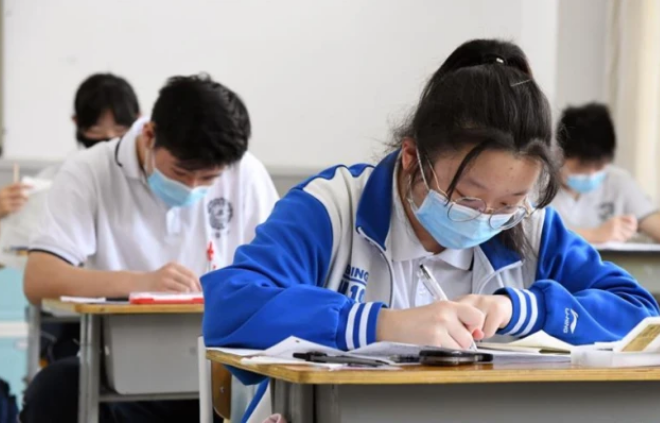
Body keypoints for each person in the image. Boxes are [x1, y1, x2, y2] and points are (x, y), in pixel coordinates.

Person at [201, 40, 659, 421]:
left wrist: (524, 309)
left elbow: (640, 317)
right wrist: (380, 325)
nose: (486, 217)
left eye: (508, 203)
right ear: (411, 157)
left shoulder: (533, 228)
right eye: (467, 198)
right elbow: (230, 308)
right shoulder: (332, 207)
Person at [21, 74, 279, 422]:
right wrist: (142, 284)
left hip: (221, 367)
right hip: (120, 369)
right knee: (54, 390)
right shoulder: (89, 171)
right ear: (148, 135)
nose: (192, 187)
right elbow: (39, 279)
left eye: (208, 179)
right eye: (181, 172)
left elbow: (281, 274)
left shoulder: (245, 172)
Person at [0, 73, 141, 269]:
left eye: (120, 130)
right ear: (77, 123)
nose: (109, 139)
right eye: (96, 130)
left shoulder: (153, 183)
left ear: (139, 122)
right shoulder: (53, 183)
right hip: (70, 287)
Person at [550, 103, 660, 244]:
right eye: (582, 166)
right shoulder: (537, 185)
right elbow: (535, 237)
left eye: (599, 166)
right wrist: (594, 234)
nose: (591, 174)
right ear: (559, 154)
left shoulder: (619, 181)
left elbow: (653, 223)